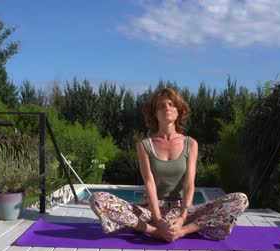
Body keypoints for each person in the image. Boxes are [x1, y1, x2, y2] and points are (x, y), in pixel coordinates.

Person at [89, 88, 249, 242]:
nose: (167, 107)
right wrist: (158, 221)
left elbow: (189, 184)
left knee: (240, 199)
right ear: (154, 113)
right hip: (151, 211)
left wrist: (182, 218)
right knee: (97, 199)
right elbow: (149, 183)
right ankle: (155, 233)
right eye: (161, 105)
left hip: (183, 210)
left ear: (179, 110)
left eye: (171, 104)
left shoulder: (190, 143)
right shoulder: (144, 145)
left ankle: (183, 231)